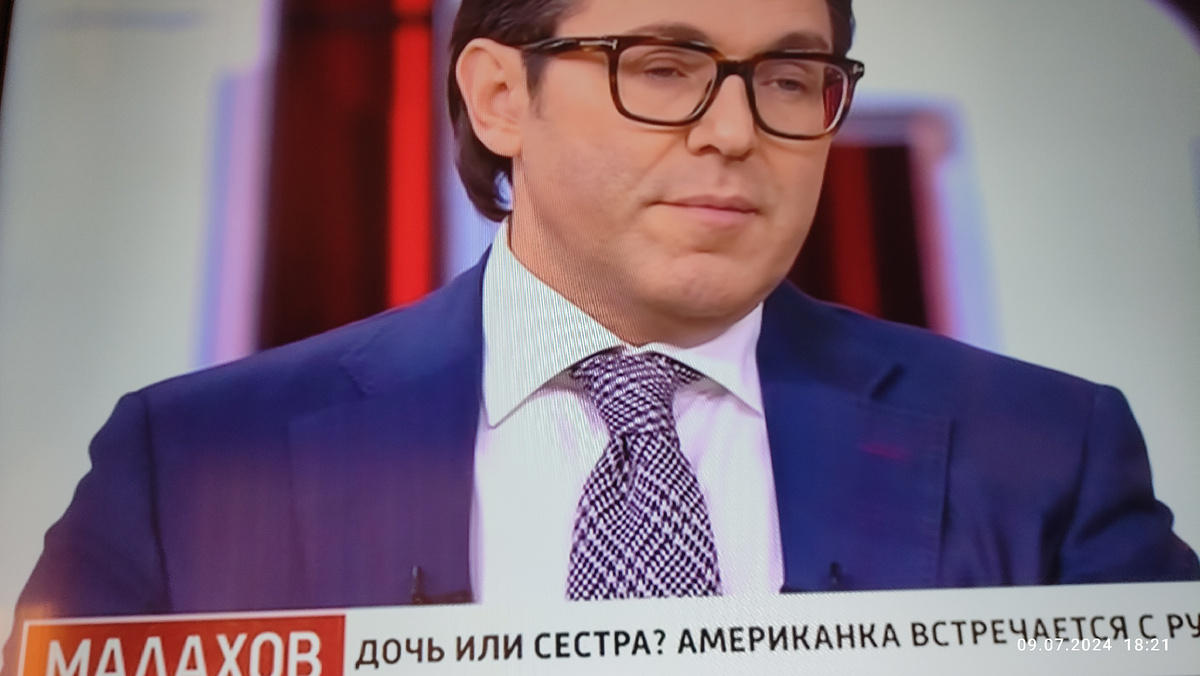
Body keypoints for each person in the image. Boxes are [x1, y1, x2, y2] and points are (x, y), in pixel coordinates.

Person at [5, 0, 1198, 668]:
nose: (735, 131)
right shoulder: (190, 463)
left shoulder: (1046, 452)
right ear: (497, 96)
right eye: (663, 67)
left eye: (791, 80)